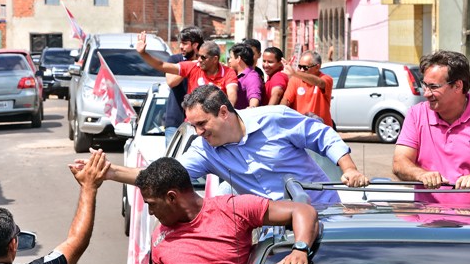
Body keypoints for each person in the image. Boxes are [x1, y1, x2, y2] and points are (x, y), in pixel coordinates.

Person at [112, 157, 319, 264]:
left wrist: (300, 249)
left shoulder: (233, 209)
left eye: (152, 204)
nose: (150, 212)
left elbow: (302, 210)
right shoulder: (160, 239)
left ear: (172, 197)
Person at [79, 85, 368, 205]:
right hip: (272, 236)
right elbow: (161, 174)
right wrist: (109, 171)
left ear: (224, 112)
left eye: (202, 124)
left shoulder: (274, 118)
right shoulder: (204, 151)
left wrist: (349, 169)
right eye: (194, 127)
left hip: (324, 214)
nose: (199, 132)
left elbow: (323, 136)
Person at [392, 50, 470, 206]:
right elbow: (399, 164)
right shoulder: (416, 114)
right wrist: (422, 175)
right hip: (427, 219)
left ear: (458, 86)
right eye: (424, 85)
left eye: (433, 87)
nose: (426, 93)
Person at [135, 31, 238, 107]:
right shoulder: (193, 66)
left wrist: (230, 108)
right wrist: (143, 53)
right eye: (198, 56)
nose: (199, 60)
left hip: (217, 125)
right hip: (193, 125)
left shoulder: (228, 73)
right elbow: (161, 65)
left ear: (215, 59)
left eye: (203, 57)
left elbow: (232, 93)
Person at [164, 26, 203, 145]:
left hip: (200, 123)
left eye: (185, 43)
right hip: (175, 122)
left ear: (195, 45)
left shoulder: (204, 62)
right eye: (180, 43)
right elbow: (171, 82)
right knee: (172, 162)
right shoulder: (174, 60)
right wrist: (189, 66)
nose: (181, 47)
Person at [281, 50, 334, 127]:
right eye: (300, 66)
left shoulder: (326, 79)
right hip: (301, 127)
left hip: (322, 127)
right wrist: (280, 113)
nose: (302, 70)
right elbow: (286, 100)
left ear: (317, 67)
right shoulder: (295, 79)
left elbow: (320, 83)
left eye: (305, 67)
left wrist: (295, 73)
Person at [228, 43, 263, 109]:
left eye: (231, 57)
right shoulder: (233, 75)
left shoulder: (252, 77)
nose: (229, 61)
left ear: (238, 58)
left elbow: (254, 95)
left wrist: (252, 107)